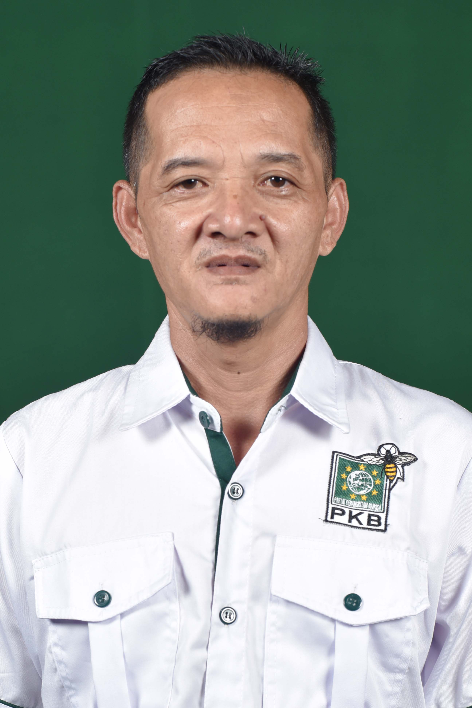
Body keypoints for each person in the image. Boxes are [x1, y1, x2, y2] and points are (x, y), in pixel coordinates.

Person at [1, 32, 471, 708]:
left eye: (276, 181)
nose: (231, 219)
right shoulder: (27, 464)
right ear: (133, 219)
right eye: (189, 182)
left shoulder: (449, 463)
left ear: (330, 215)